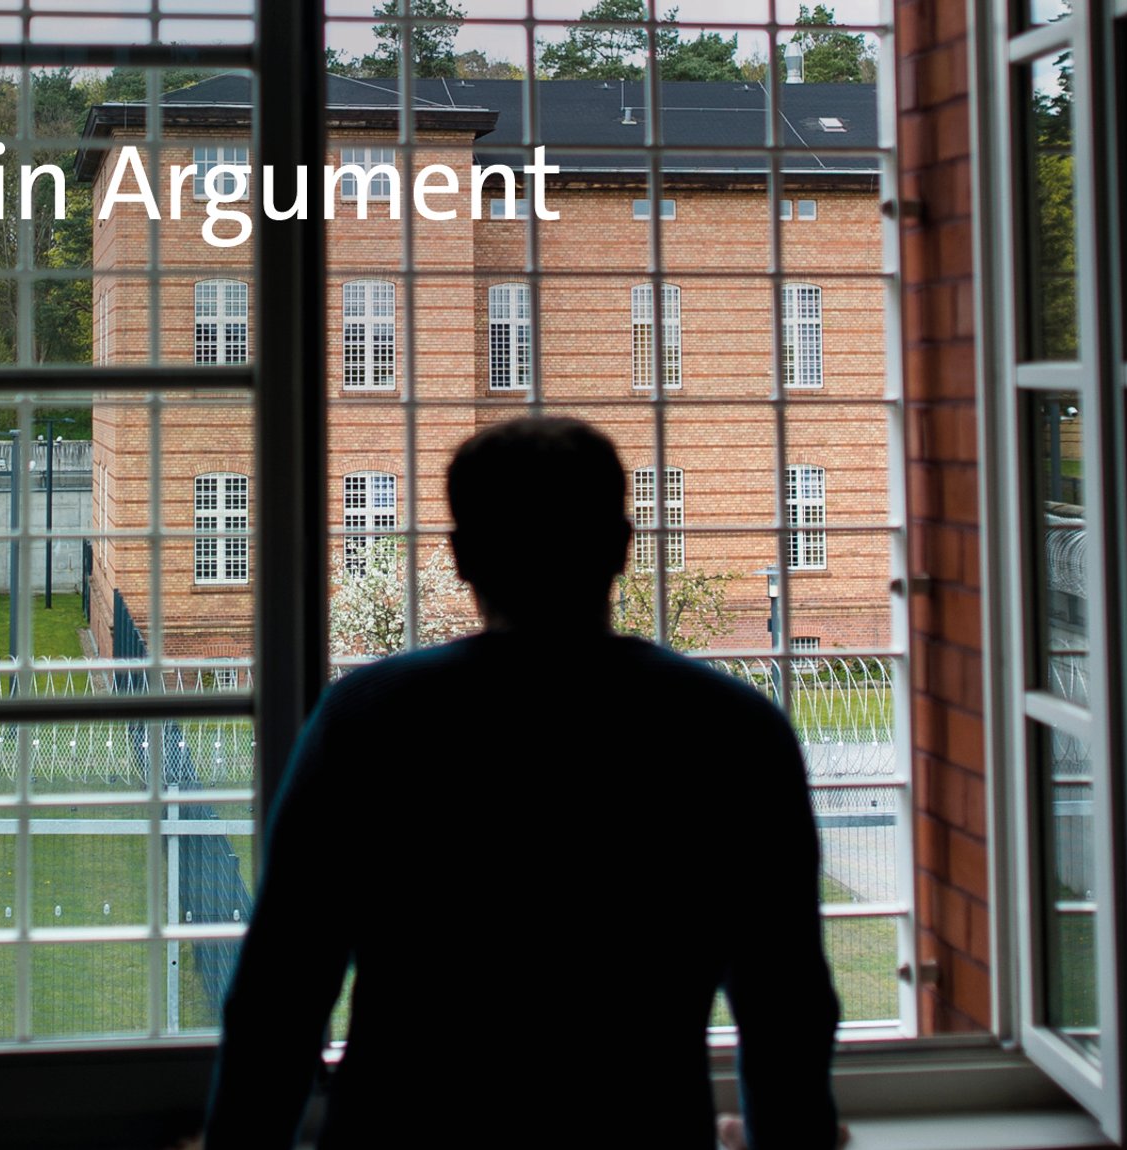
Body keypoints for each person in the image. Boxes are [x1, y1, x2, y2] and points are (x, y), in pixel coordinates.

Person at [203, 417, 841, 1149]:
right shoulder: (732, 731)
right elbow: (787, 1008)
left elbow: (278, 997)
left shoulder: (372, 719)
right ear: (621, 548)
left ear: (463, 558)